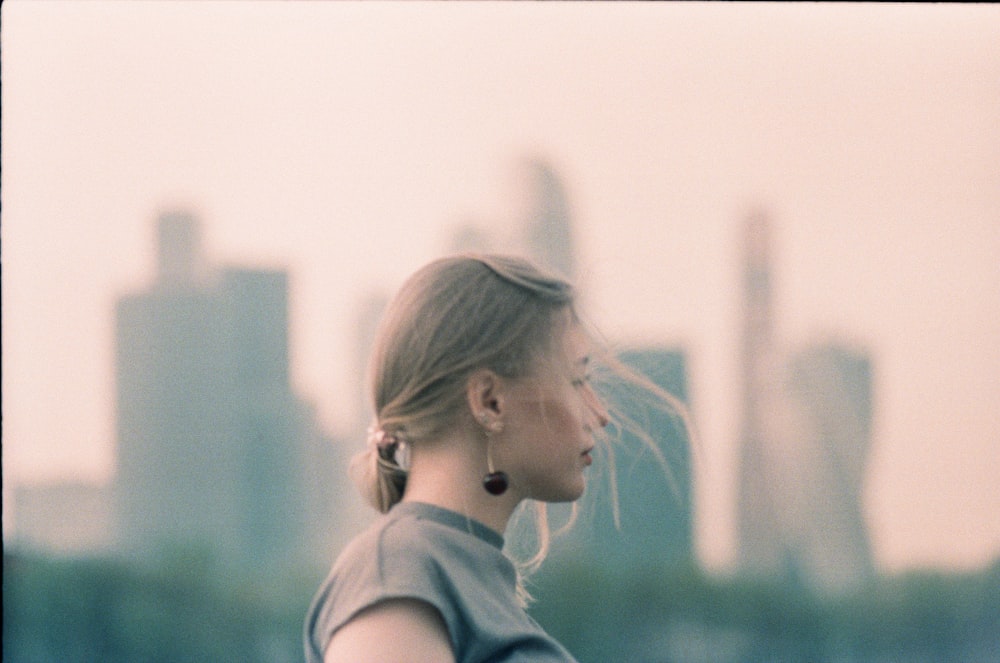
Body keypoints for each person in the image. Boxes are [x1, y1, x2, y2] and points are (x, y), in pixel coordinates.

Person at [304, 253, 676, 663]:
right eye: (578, 380)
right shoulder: (398, 573)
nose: (599, 414)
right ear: (490, 401)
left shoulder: (453, 573)